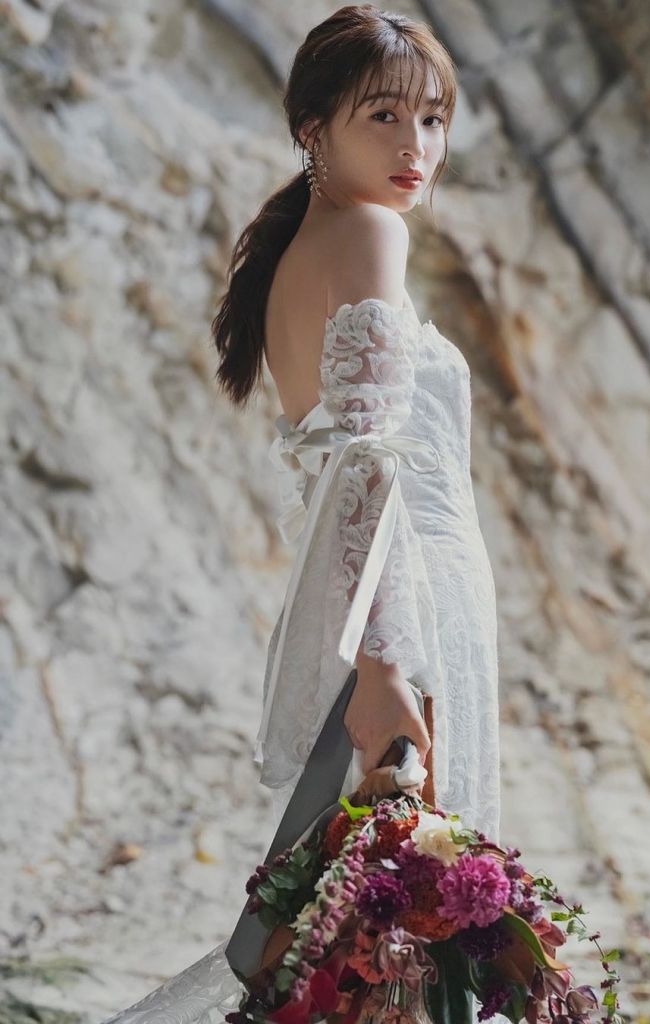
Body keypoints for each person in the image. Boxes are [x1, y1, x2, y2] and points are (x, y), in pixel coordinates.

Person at [100, 5, 501, 1021]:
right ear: (312, 128)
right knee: (397, 930)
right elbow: (363, 469)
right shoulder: (368, 232)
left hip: (389, 600)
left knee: (372, 929)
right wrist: (385, 667)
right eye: (384, 117)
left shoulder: (312, 245)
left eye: (433, 119)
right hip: (403, 609)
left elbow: (344, 473)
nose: (416, 148)